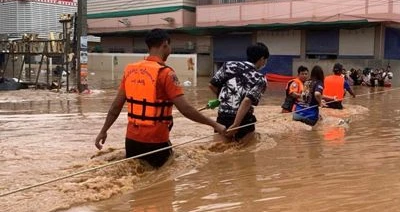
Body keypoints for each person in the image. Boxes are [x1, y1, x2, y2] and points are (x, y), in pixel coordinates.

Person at [94, 29, 225, 168]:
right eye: (169, 46)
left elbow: (115, 107)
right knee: (166, 181)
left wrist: (103, 131)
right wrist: (215, 124)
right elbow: (186, 109)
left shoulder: (130, 70)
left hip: (131, 141)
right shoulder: (166, 73)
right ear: (165, 45)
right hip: (156, 141)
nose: (170, 50)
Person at [209, 42, 270, 142]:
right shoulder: (260, 79)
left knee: (218, 149)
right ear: (262, 59)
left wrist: (224, 99)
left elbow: (211, 85)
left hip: (223, 116)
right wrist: (236, 125)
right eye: (265, 60)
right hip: (244, 119)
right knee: (246, 152)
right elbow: (246, 101)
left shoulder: (228, 65)